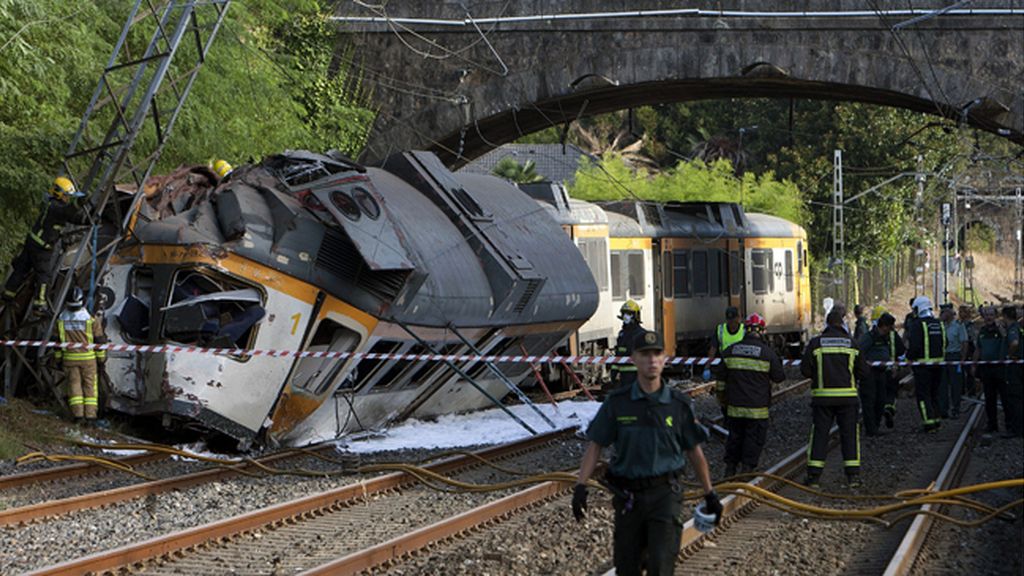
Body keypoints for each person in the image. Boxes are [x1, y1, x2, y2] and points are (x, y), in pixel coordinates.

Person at [573, 329, 722, 576]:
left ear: (664, 358)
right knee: (627, 568)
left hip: (665, 496)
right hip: (628, 498)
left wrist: (710, 494)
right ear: (633, 359)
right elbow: (596, 445)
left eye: (656, 353)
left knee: (660, 565)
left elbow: (694, 451)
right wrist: (580, 487)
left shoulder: (678, 405)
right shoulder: (618, 403)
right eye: (645, 354)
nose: (651, 360)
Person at [801, 304, 869, 488]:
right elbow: (864, 372)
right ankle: (853, 477)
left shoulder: (816, 343)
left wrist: (819, 375)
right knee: (850, 436)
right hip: (848, 399)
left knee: (820, 435)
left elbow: (805, 370)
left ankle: (814, 477)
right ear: (843, 323)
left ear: (827, 324)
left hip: (822, 398)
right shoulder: (852, 344)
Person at [2, 177, 88, 310]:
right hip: (42, 248)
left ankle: (8, 294)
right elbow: (67, 211)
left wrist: (87, 219)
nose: (67, 199)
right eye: (66, 196)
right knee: (44, 275)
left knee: (21, 268)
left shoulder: (50, 204)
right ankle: (40, 304)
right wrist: (78, 204)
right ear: (59, 193)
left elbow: (71, 217)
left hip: (32, 242)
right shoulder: (56, 207)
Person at [716, 313, 785, 477]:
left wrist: (722, 400)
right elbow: (779, 377)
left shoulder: (730, 351)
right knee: (753, 439)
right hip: (757, 409)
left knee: (734, 437)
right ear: (762, 331)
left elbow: (720, 381)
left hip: (735, 408)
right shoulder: (767, 353)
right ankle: (746, 470)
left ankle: (730, 469)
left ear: (745, 330)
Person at [55, 287, 107, 423]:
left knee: (74, 386)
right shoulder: (90, 319)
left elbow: (57, 342)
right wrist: (101, 360)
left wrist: (58, 359)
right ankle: (90, 417)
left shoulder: (61, 319)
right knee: (90, 387)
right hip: (88, 359)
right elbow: (99, 341)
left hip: (69, 358)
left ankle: (78, 416)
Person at [857, 310, 905, 435]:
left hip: (882, 373)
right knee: (869, 402)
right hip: (869, 375)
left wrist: (891, 366)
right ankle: (871, 430)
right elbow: (859, 352)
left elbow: (890, 353)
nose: (891, 330)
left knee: (881, 401)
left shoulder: (885, 338)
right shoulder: (869, 337)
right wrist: (865, 365)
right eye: (889, 327)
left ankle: (876, 426)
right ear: (883, 326)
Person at [905, 296, 946, 433]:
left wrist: (908, 357)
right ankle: (937, 421)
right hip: (938, 365)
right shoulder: (939, 324)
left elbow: (915, 346)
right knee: (934, 394)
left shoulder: (917, 325)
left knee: (923, 396)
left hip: (923, 367)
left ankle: (929, 424)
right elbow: (945, 342)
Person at [973, 305, 1007, 434]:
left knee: (1005, 397)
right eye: (987, 315)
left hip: (1000, 368)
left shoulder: (1000, 329)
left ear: (996, 316)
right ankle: (992, 424)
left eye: (991, 315)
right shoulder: (982, 331)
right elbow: (978, 349)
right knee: (989, 398)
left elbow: (1006, 338)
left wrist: (1000, 327)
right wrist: (974, 365)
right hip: (986, 369)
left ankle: (1009, 424)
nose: (989, 317)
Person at [939, 304, 969, 419]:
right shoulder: (940, 325)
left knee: (955, 385)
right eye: (942, 311)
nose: (942, 314)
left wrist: (963, 358)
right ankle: (943, 409)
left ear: (950, 313)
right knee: (942, 384)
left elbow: (964, 342)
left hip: (954, 356)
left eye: (945, 311)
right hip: (942, 357)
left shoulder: (958, 325)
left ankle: (955, 408)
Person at [609, 300, 644, 390]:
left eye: (629, 314)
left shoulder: (641, 334)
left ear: (635, 315)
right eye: (624, 313)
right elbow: (618, 354)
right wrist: (614, 372)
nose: (626, 316)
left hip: (637, 376)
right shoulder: (622, 334)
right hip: (623, 378)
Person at [706, 306, 745, 381]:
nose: (731, 323)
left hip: (740, 365)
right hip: (725, 364)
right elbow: (713, 349)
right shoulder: (720, 329)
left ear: (738, 319)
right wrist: (707, 367)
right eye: (729, 320)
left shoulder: (744, 330)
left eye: (733, 320)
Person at [1000, 306, 1021, 437]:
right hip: (1017, 367)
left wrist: (1009, 355)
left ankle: (1016, 428)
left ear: (1005, 316)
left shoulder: (1013, 329)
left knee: (1014, 399)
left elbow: (1014, 343)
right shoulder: (1017, 327)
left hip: (1014, 369)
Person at [960, 304, 980, 397]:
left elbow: (974, 339)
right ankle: (962, 391)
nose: (960, 314)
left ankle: (971, 392)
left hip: (969, 351)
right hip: (961, 350)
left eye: (962, 312)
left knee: (970, 374)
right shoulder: (960, 324)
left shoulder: (970, 325)